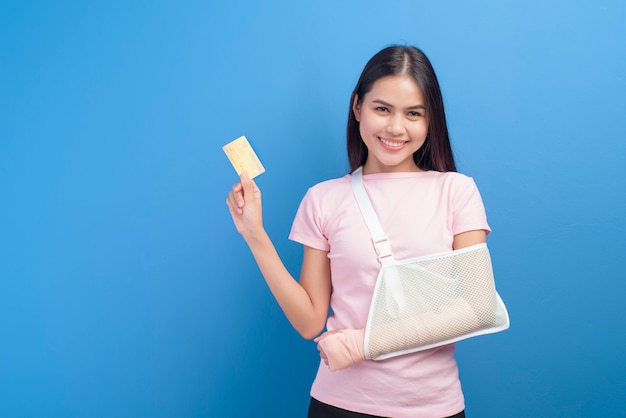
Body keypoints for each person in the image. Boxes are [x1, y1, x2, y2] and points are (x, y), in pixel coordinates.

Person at [226, 45, 491, 418]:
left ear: (430, 120)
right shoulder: (323, 199)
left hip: (433, 408)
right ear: (357, 108)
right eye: (382, 109)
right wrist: (255, 235)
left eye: (413, 114)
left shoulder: (456, 192)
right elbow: (309, 322)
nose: (396, 128)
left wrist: (361, 345)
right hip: (339, 405)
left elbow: (478, 308)